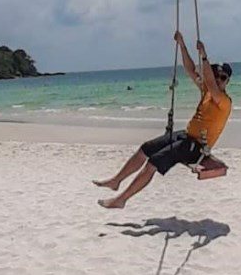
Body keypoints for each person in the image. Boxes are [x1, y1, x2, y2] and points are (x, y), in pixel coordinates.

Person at [94, 31, 232, 209]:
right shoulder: (207, 91)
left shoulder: (223, 101)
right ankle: (116, 181)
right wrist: (182, 45)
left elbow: (211, 84)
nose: (218, 79)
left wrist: (204, 56)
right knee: (146, 148)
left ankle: (121, 199)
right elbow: (191, 70)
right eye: (215, 75)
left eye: (223, 77)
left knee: (153, 162)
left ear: (228, 81)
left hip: (196, 147)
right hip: (186, 136)